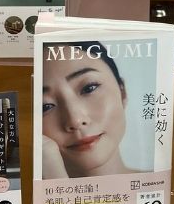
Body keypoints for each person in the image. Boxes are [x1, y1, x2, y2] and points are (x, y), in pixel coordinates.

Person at [41, 41, 133, 179]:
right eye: (45, 106)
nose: (75, 120)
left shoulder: (163, 183)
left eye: (89, 88)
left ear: (122, 92)